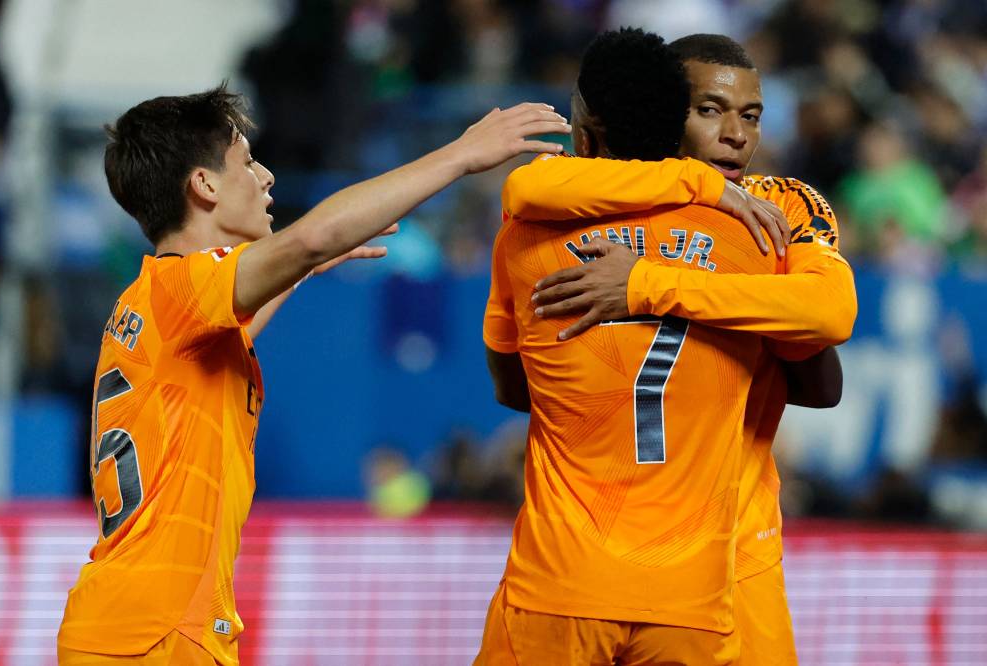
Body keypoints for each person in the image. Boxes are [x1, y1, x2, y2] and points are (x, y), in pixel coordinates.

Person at [56, 85, 570, 665]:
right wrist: (462, 154)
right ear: (203, 186)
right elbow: (311, 236)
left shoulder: (159, 304)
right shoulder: (182, 291)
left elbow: (273, 285)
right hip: (157, 635)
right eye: (247, 162)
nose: (267, 175)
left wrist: (297, 271)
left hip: (134, 627)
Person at [475, 28, 849, 665]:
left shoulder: (778, 207)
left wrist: (647, 285)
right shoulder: (750, 237)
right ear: (663, 109)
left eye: (751, 116)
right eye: (710, 110)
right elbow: (525, 189)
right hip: (673, 574)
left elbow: (824, 374)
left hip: (736, 550)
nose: (737, 135)